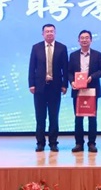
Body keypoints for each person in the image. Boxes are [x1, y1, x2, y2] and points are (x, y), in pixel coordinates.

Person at [28, 23, 68, 152]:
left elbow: (65, 68)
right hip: (39, 87)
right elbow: (32, 67)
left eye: (52, 31)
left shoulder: (62, 48)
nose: (49, 33)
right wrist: (31, 84)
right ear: (43, 34)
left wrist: (64, 85)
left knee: (53, 116)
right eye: (47, 31)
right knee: (40, 117)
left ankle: (53, 142)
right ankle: (40, 143)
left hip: (55, 87)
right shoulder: (36, 47)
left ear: (55, 33)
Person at [68, 30, 101, 153]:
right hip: (78, 90)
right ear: (78, 40)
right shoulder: (73, 55)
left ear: (91, 40)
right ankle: (79, 143)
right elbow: (69, 72)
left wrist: (92, 77)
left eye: (87, 38)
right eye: (82, 38)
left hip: (92, 90)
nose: (84, 40)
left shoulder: (97, 54)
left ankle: (92, 143)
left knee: (92, 118)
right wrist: (72, 82)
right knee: (78, 118)